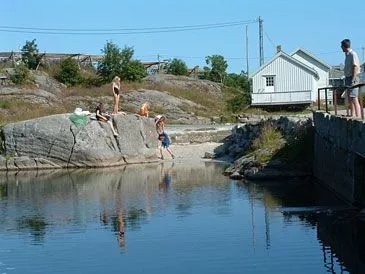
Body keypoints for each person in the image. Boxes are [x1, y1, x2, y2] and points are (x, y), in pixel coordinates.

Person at [341, 39, 361, 118]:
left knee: (354, 97)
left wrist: (353, 78)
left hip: (353, 78)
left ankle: (358, 116)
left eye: (341, 46)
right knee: (350, 97)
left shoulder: (353, 54)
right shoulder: (347, 54)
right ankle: (352, 115)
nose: (341, 48)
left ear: (344, 46)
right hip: (348, 77)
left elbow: (355, 67)